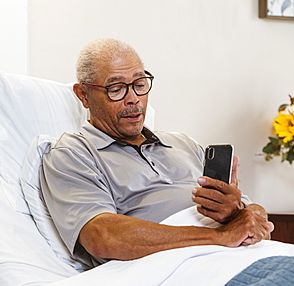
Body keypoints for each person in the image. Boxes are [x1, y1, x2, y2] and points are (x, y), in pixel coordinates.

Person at [40, 38, 274, 268]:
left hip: (245, 255)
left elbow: (254, 218)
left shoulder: (183, 143)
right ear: (83, 95)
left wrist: (239, 212)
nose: (133, 99)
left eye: (139, 84)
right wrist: (220, 236)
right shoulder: (72, 154)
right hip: (186, 264)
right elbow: (103, 236)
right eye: (116, 89)